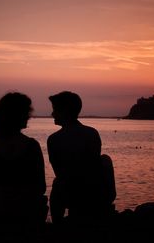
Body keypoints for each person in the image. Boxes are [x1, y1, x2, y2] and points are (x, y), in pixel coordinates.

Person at [0, 92, 48, 240]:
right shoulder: (32, 145)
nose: (29, 116)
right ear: (18, 116)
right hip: (27, 211)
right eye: (26, 112)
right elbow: (41, 187)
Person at [47, 91, 116, 225]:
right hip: (95, 192)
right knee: (105, 159)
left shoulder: (54, 139)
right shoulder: (92, 133)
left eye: (55, 110)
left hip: (71, 194)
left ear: (65, 111)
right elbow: (93, 166)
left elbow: (59, 173)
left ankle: (57, 225)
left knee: (57, 182)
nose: (52, 114)